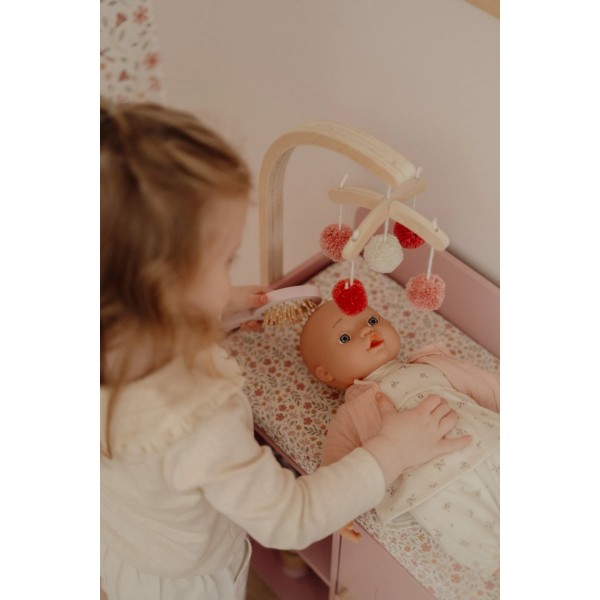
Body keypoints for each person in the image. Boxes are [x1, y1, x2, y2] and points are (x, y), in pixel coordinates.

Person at [100, 98, 473, 600]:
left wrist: (217, 310)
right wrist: (393, 449)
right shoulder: (196, 419)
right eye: (226, 261)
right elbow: (291, 518)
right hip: (185, 581)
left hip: (124, 540)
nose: (367, 330)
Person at [299, 300, 500, 576]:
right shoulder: (352, 414)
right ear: (326, 373)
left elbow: (489, 387)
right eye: (345, 337)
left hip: (490, 442)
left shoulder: (431, 363)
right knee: (491, 548)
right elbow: (337, 471)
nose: (367, 331)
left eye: (372, 321)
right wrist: (337, 511)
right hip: (437, 488)